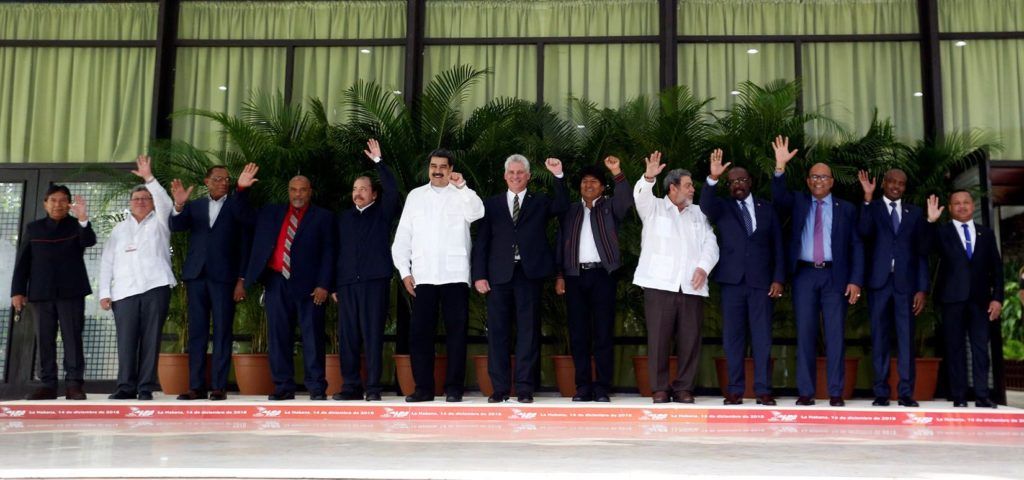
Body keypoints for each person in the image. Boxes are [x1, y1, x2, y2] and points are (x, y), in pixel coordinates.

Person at [771, 135, 864, 407]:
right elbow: (778, 197)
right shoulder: (799, 202)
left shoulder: (846, 208)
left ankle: (835, 392)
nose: (818, 181)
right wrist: (780, 167)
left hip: (835, 276)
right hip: (804, 275)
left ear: (832, 182)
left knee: (835, 335)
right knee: (805, 333)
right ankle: (806, 392)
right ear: (807, 181)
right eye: (813, 177)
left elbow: (857, 245)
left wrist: (856, 280)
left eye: (823, 177)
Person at [472, 154, 568, 403]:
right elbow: (482, 242)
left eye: (520, 172)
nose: (515, 176)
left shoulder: (540, 202)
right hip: (498, 276)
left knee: (528, 332)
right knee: (497, 333)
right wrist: (479, 275)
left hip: (529, 274)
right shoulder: (490, 204)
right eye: (511, 172)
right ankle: (500, 388)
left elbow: (563, 205)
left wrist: (558, 176)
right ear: (505, 176)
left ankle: (525, 388)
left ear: (528, 176)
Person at [392, 149, 485, 402]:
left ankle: (454, 388)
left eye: (443, 166)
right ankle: (423, 388)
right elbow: (402, 238)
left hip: (455, 275)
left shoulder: (462, 194)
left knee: (457, 334)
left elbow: (478, 212)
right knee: (420, 334)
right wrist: (404, 271)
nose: (437, 170)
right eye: (434, 165)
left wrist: (463, 187)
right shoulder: (415, 196)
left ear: (451, 168)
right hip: (423, 277)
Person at [700, 149, 784, 406]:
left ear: (750, 182)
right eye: (732, 181)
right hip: (732, 283)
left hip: (761, 283)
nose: (737, 184)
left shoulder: (767, 209)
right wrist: (712, 179)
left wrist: (778, 278)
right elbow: (706, 205)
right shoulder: (722, 207)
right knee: (733, 338)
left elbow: (778, 246)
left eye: (741, 180)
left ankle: (763, 390)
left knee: (761, 338)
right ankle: (735, 390)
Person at [633, 151, 719, 404]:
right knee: (658, 340)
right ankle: (659, 388)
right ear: (673, 188)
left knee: (690, 340)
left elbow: (710, 244)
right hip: (660, 285)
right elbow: (641, 196)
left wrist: (703, 267)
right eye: (689, 185)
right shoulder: (655, 208)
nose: (693, 189)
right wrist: (649, 177)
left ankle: (683, 388)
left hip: (692, 287)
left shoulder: (699, 214)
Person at [169, 163, 259, 401]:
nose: (223, 183)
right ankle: (196, 386)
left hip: (225, 278)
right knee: (197, 332)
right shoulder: (195, 206)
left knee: (222, 331)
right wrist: (178, 205)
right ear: (206, 181)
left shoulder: (236, 205)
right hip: (196, 276)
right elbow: (176, 227)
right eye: (218, 179)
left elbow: (246, 240)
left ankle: (219, 385)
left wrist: (242, 279)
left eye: (227, 180)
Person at [244, 175, 335, 401]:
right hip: (276, 282)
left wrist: (324, 284)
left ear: (310, 191)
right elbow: (241, 216)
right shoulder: (271, 213)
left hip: (310, 286)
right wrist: (242, 190)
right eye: (293, 190)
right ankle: (283, 386)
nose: (298, 194)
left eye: (302, 190)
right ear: (288, 190)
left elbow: (330, 253)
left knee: (312, 336)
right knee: (278, 336)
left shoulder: (323, 217)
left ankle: (316, 387)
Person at [554, 156, 633, 403]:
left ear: (602, 187)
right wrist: (559, 275)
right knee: (578, 334)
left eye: (594, 182)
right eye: (585, 181)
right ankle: (583, 387)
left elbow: (626, 200)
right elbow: (560, 243)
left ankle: (601, 387)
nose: (589, 185)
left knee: (602, 333)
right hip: (575, 277)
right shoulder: (570, 210)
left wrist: (617, 172)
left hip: (603, 276)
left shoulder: (610, 207)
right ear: (579, 186)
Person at [100, 155, 177, 401]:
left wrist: (149, 178)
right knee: (126, 341)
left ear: (152, 203)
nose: (141, 202)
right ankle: (125, 386)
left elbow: (166, 202)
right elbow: (107, 262)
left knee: (151, 339)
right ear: (130, 203)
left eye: (146, 199)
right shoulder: (119, 229)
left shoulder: (161, 222)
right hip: (124, 292)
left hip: (156, 286)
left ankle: (145, 387)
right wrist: (104, 292)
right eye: (137, 199)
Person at [11, 185, 96, 400]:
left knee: (72, 338)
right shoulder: (34, 228)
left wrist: (84, 218)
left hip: (71, 292)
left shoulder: (77, 226)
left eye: (62, 200)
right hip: (41, 293)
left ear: (69, 204)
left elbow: (89, 241)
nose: (58, 204)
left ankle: (74, 384)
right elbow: (23, 262)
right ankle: (48, 384)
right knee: (44, 339)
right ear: (45, 204)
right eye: (53, 200)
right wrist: (18, 291)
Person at [332, 139, 400, 402]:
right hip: (347, 284)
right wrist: (335, 284)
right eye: (355, 189)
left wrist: (379, 163)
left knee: (372, 336)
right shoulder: (344, 218)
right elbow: (337, 253)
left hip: (374, 282)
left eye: (363, 189)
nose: (358, 192)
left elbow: (393, 191)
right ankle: (350, 386)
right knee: (348, 337)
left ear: (374, 194)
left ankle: (372, 388)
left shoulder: (382, 213)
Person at [856, 169, 929, 408]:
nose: (896, 186)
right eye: (892, 182)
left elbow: (921, 253)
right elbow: (864, 232)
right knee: (880, 338)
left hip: (905, 286)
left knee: (906, 340)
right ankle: (881, 392)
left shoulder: (915, 213)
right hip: (878, 283)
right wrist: (867, 198)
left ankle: (906, 393)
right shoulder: (873, 208)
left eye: (901, 183)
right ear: (884, 184)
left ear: (904, 187)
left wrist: (921, 289)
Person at [926, 192, 1004, 408]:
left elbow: (997, 269)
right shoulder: (942, 232)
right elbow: (924, 248)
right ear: (950, 208)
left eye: (966, 203)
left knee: (980, 348)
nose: (962, 207)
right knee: (954, 348)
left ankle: (982, 395)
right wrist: (931, 223)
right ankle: (959, 396)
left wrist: (997, 298)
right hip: (952, 300)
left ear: (973, 206)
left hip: (981, 301)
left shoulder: (986, 234)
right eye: (957, 204)